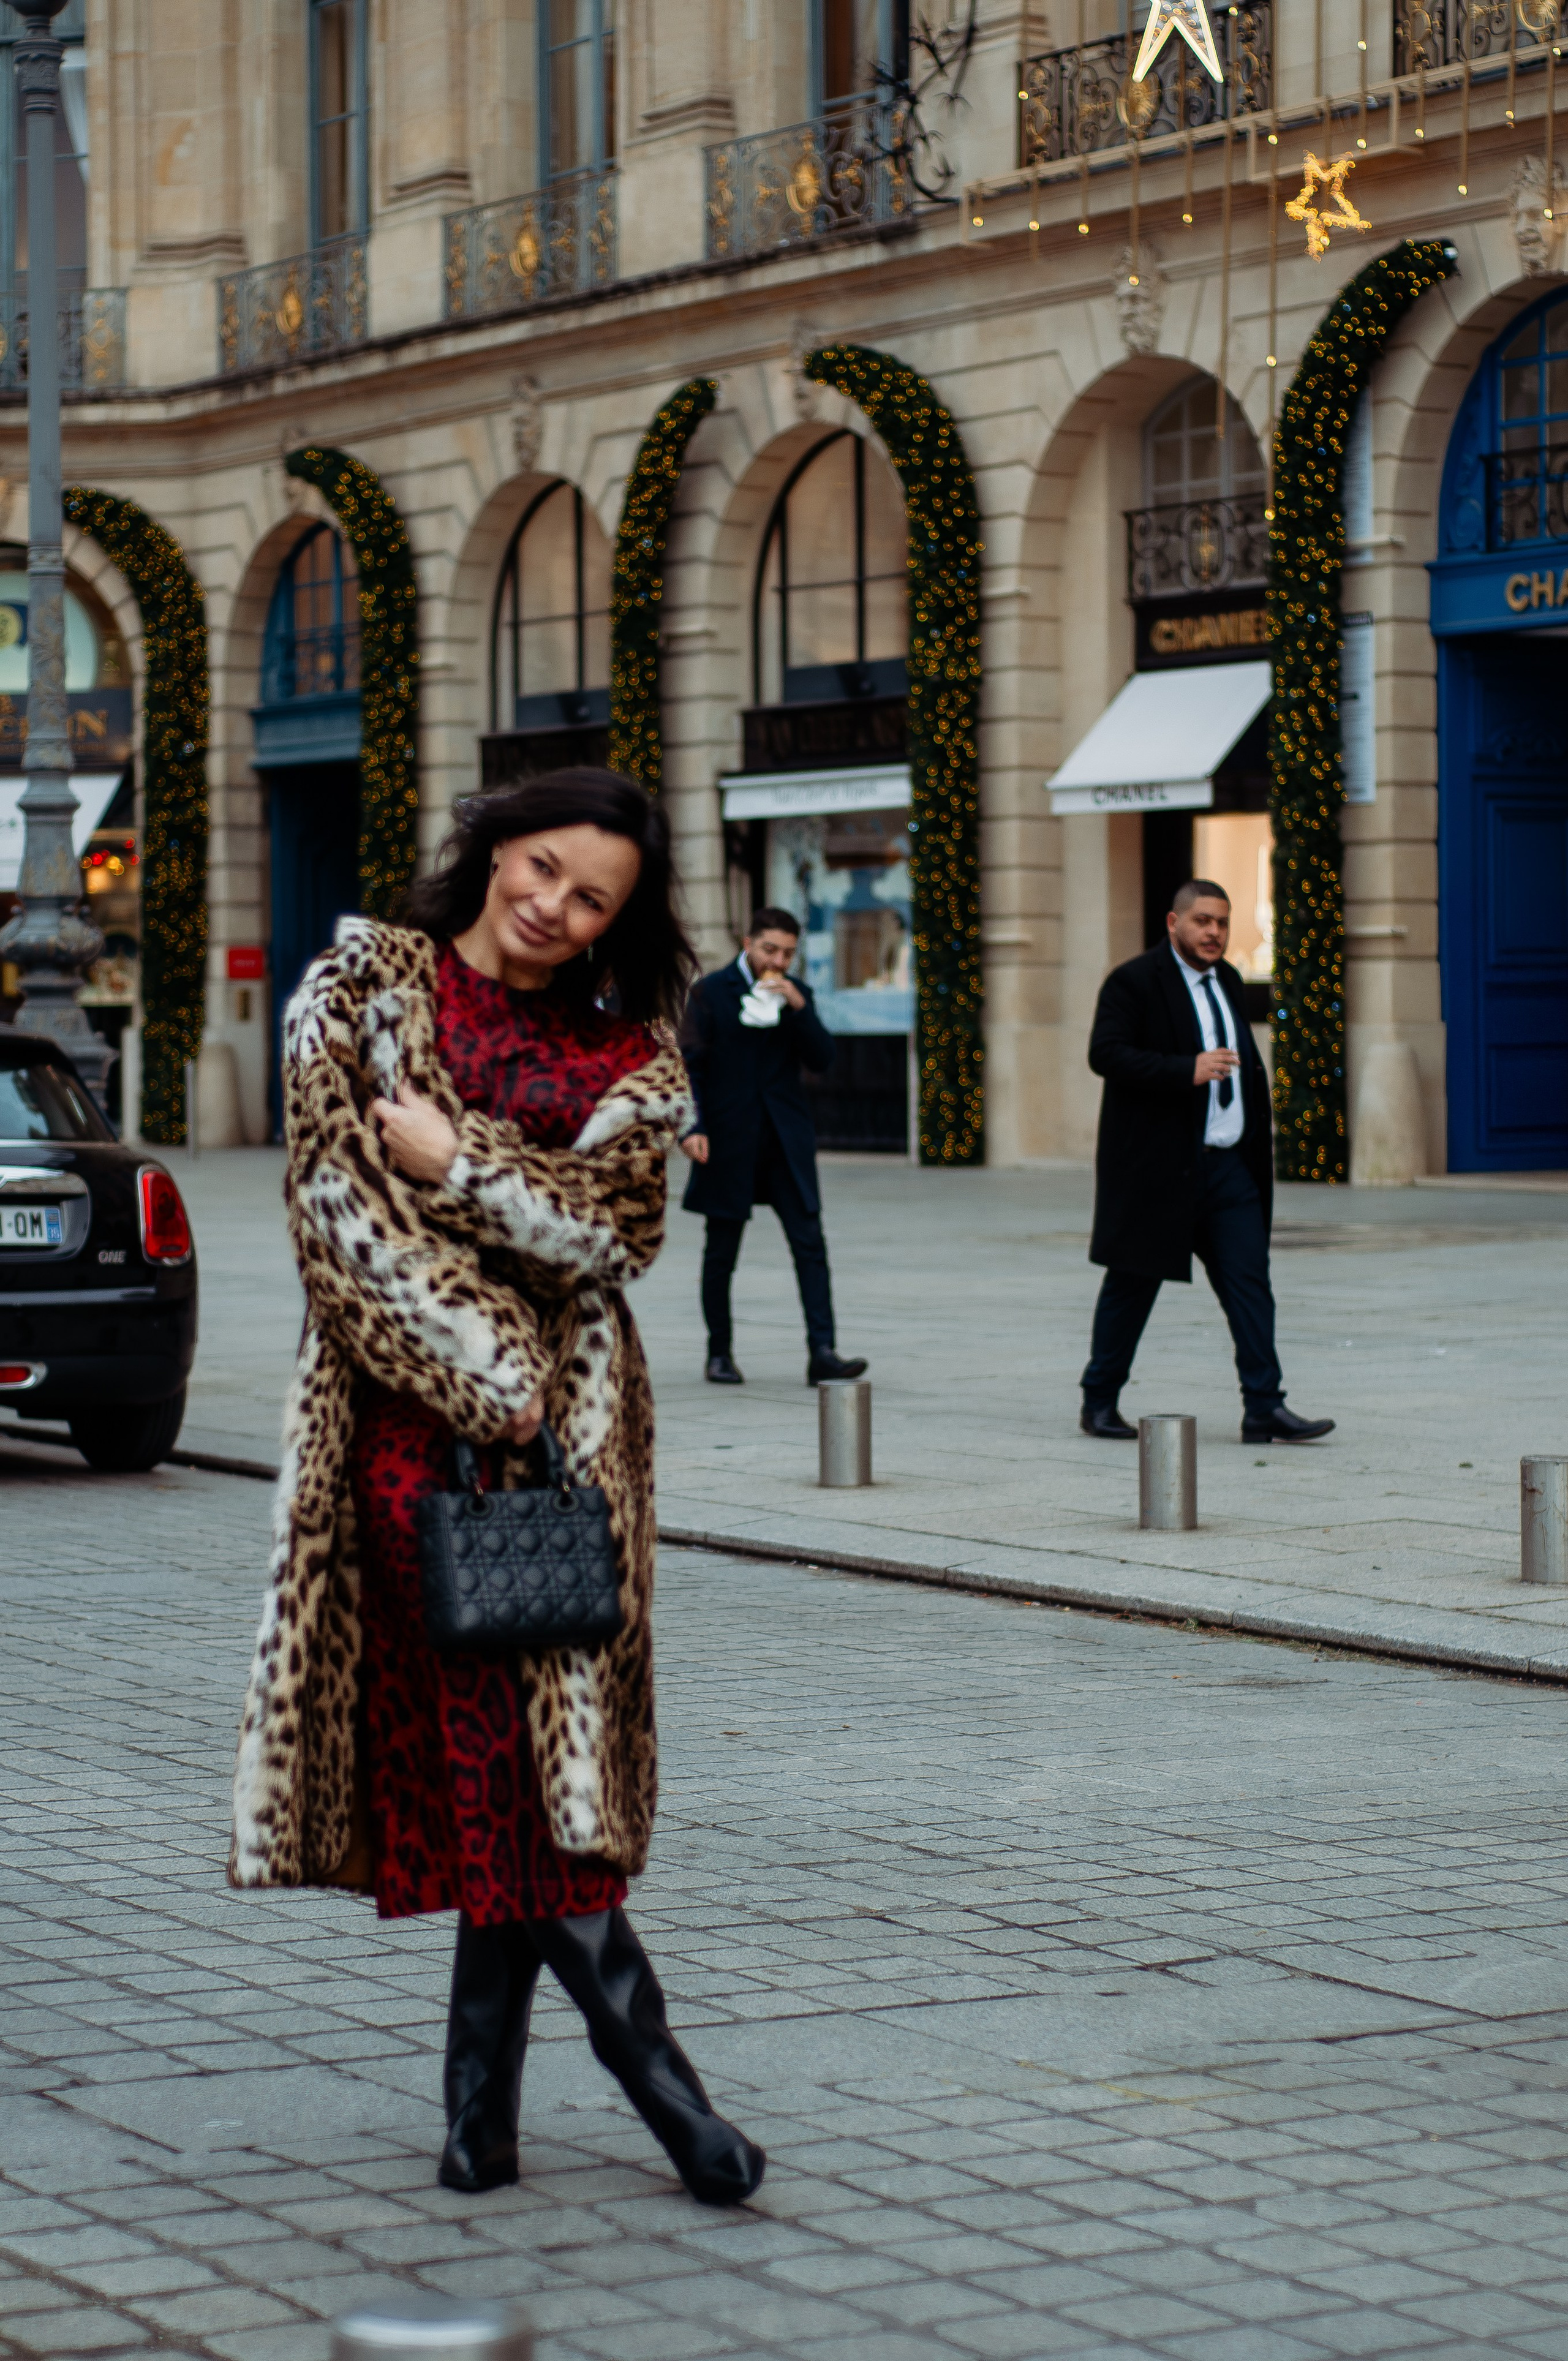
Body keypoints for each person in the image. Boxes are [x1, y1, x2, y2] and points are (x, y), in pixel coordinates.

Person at [228, 769, 765, 2208]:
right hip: (414, 1442)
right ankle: (677, 2110)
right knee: (513, 1767)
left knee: (524, 1779)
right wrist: (489, 1363)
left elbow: (618, 1233)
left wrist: (460, 1158)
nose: (551, 905)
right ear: (490, 849)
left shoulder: (629, 1051)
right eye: (538, 867)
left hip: (575, 1450)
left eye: (590, 895)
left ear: (616, 920)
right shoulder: (360, 988)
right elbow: (340, 1212)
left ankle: (481, 2125)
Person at [1079, 876, 1335, 1447]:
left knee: (1250, 1283)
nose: (1215, 932)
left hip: (1227, 1169)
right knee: (1132, 1284)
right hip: (1158, 1169)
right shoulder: (1134, 981)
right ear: (1174, 923)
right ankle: (1099, 1400)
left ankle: (1265, 1406)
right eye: (1203, 921)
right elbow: (1106, 1053)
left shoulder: (1228, 979)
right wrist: (1184, 1069)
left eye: (1222, 921)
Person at [679, 906, 868, 1386]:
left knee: (810, 1244)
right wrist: (691, 1126)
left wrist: (799, 1009)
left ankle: (822, 1351)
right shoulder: (709, 992)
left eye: (788, 952)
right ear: (748, 942)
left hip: (786, 1140)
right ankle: (719, 1352)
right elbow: (690, 1066)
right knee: (721, 1250)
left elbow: (824, 1059)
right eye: (770, 949)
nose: (778, 960)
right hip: (728, 1137)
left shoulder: (796, 993)